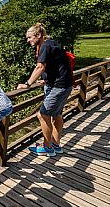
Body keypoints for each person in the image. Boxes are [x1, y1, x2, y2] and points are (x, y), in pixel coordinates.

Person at [17, 23, 73, 157]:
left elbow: (40, 67)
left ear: (38, 35)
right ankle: (56, 145)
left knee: (42, 115)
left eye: (30, 37)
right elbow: (57, 64)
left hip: (58, 86)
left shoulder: (44, 46)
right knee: (57, 115)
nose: (28, 40)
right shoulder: (52, 43)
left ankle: (47, 148)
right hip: (64, 84)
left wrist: (28, 84)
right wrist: (47, 79)